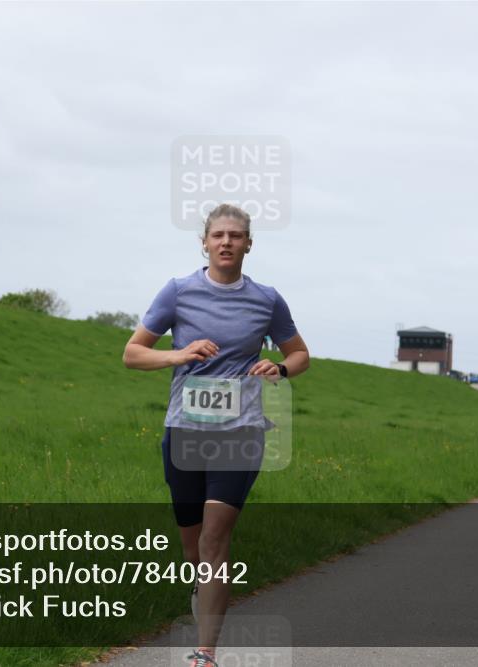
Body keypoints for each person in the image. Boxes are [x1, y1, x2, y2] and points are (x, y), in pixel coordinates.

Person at [123, 204, 310, 667]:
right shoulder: (179, 292)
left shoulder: (267, 299)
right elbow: (131, 354)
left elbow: (301, 354)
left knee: (214, 538)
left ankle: (205, 652)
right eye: (218, 235)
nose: (227, 242)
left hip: (241, 431)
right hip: (184, 432)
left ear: (249, 244)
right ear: (204, 243)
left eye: (236, 235)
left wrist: (281, 367)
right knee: (193, 543)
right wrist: (178, 355)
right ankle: (202, 588)